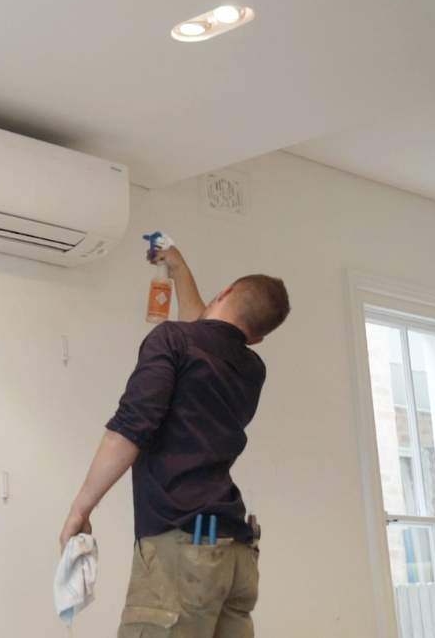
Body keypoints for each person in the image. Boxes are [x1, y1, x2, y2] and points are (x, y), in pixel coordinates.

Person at [59, 244, 290, 638]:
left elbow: (132, 426)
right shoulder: (251, 367)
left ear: (225, 292)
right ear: (258, 340)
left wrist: (80, 509)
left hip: (183, 550)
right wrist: (179, 267)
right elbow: (202, 328)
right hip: (236, 556)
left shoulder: (172, 340)